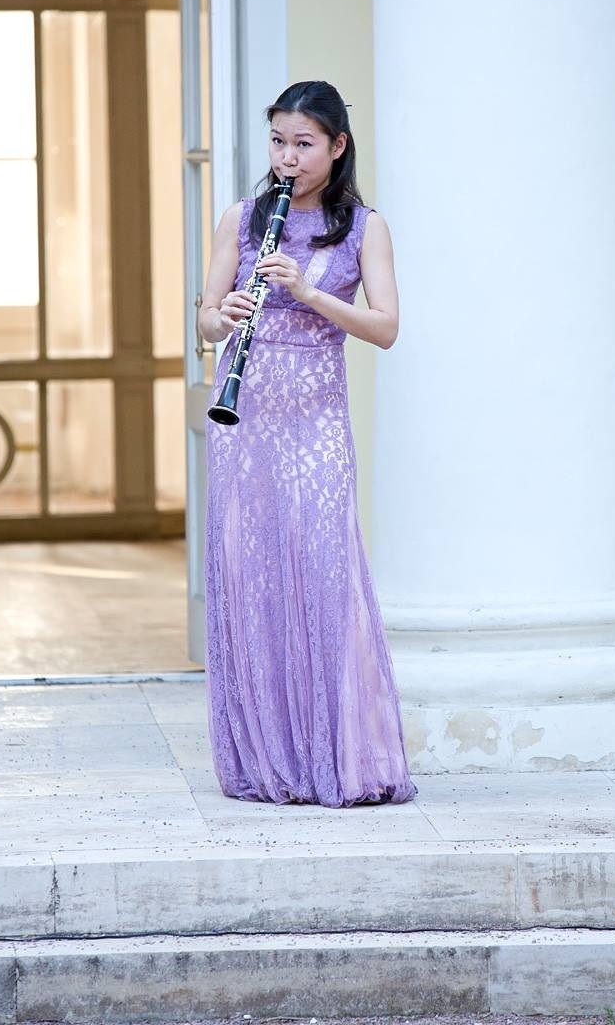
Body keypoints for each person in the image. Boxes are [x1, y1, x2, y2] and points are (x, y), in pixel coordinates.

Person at [198, 79, 417, 809]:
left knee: (323, 570)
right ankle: (268, 760)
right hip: (245, 415)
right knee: (250, 571)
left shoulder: (365, 228)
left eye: (304, 144)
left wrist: (311, 293)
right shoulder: (243, 216)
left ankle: (338, 756)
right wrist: (223, 314)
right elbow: (204, 319)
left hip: (316, 417)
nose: (287, 158)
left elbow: (385, 328)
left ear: (337, 146)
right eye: (278, 142)